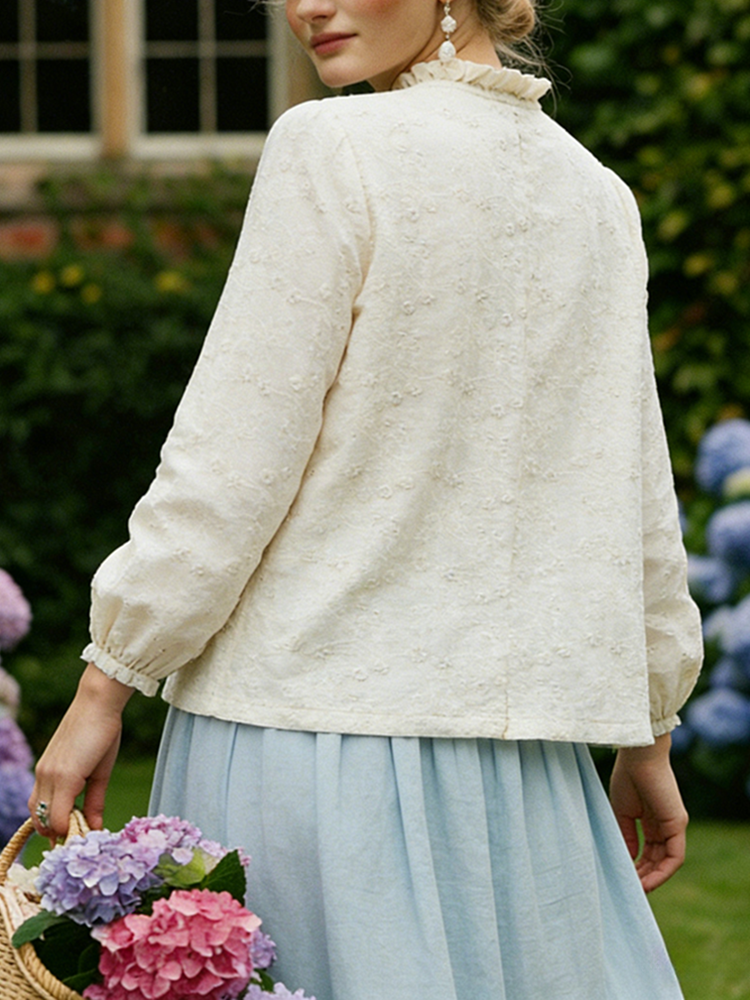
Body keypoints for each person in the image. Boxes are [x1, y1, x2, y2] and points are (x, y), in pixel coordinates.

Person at [30, 0, 703, 996]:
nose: (307, 7)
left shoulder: (331, 145)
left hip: (307, 738)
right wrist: (650, 722)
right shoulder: (598, 195)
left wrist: (107, 682)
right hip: (525, 779)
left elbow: (231, 459)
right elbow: (632, 487)